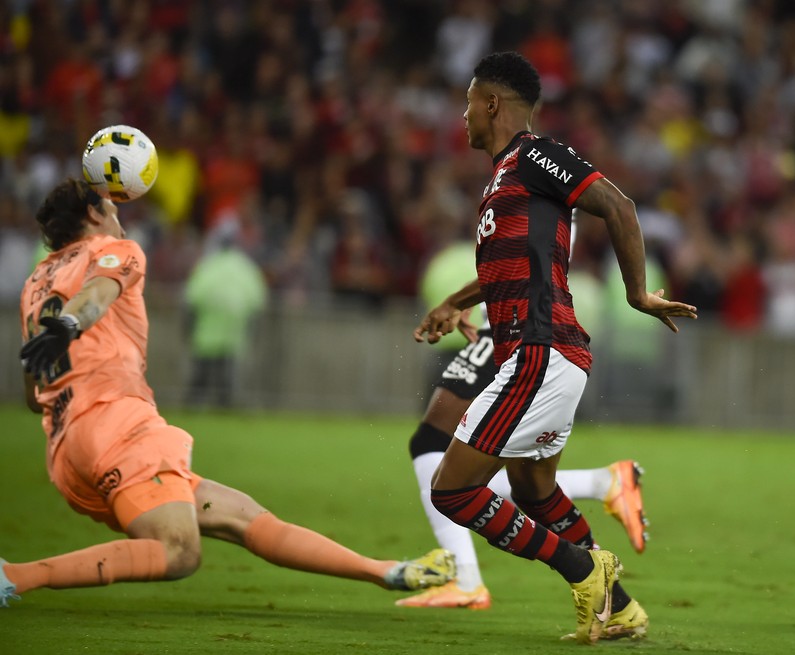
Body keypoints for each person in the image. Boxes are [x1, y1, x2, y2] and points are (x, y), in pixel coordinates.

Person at [3, 179, 455, 609]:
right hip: (116, 427)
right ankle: (14, 575)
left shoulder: (36, 282)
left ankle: (385, 571)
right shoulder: (114, 249)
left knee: (243, 517)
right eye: (112, 208)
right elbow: (98, 294)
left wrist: (63, 338)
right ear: (92, 213)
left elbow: (33, 392)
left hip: (66, 449)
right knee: (178, 551)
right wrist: (70, 325)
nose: (119, 217)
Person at [412, 52, 697, 643]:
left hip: (538, 352)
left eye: (469, 102)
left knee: (451, 490)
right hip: (546, 355)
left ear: (492, 103)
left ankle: (584, 569)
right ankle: (619, 609)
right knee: (534, 491)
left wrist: (637, 293)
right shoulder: (503, 177)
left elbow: (618, 205)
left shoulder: (532, 155)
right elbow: (513, 263)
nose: (463, 115)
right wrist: (456, 302)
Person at [399, 300, 649, 610]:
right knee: (527, 485)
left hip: (522, 331)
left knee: (439, 454)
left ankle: (466, 579)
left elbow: (526, 267)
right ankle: (613, 592)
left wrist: (458, 301)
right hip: (528, 332)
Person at [184, 221, 268, 408]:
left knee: (200, 380)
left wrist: (188, 329)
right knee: (227, 382)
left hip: (206, 334)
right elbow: (258, 300)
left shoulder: (207, 266)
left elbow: (192, 297)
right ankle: (225, 408)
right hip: (234, 334)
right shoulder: (246, 268)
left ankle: (195, 407)